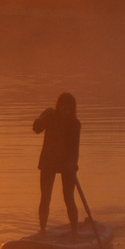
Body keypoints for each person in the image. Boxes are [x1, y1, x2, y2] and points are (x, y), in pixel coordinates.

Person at [33, 91, 85, 233]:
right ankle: (42, 229)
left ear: (72, 108)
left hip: (67, 163)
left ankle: (75, 230)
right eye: (63, 106)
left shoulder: (74, 124)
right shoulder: (50, 117)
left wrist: (72, 164)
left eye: (68, 107)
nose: (65, 109)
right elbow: (36, 128)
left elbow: (75, 148)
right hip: (48, 162)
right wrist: (43, 116)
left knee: (68, 198)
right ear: (58, 105)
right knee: (45, 197)